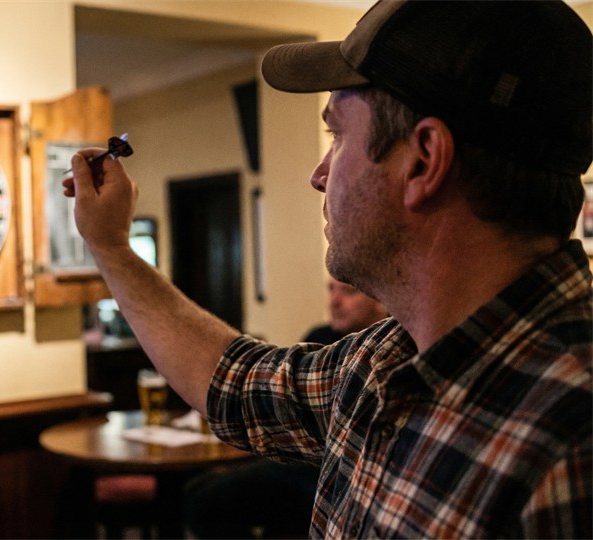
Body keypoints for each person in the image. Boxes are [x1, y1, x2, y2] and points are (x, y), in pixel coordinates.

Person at [63, 1, 591, 537]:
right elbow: (233, 383)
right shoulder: (384, 360)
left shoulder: (569, 443)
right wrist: (112, 247)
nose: (318, 175)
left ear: (424, 160)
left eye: (337, 136)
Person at [185, 279, 386, 539]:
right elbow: (289, 410)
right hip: (295, 462)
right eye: (330, 289)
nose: (334, 301)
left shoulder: (388, 354)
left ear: (380, 302)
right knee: (197, 488)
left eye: (348, 291)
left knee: (206, 502)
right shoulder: (320, 338)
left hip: (333, 476)